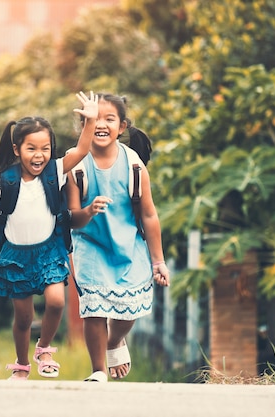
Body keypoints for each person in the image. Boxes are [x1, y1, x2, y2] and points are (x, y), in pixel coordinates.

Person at [0, 91, 98, 380]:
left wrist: (89, 121)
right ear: (17, 149)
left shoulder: (55, 170)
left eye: (45, 148)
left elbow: (81, 151)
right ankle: (21, 363)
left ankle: (45, 348)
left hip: (49, 249)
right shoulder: (6, 180)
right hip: (16, 255)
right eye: (31, 149)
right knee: (24, 318)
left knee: (56, 302)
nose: (39, 155)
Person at [65, 93, 171, 382]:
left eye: (108, 119)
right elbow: (71, 217)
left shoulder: (134, 165)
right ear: (83, 124)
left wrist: (157, 261)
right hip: (91, 245)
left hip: (128, 245)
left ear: (121, 126)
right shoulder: (77, 165)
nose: (101, 124)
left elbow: (149, 215)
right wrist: (88, 211)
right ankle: (99, 370)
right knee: (94, 309)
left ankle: (114, 341)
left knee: (127, 312)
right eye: (93, 118)